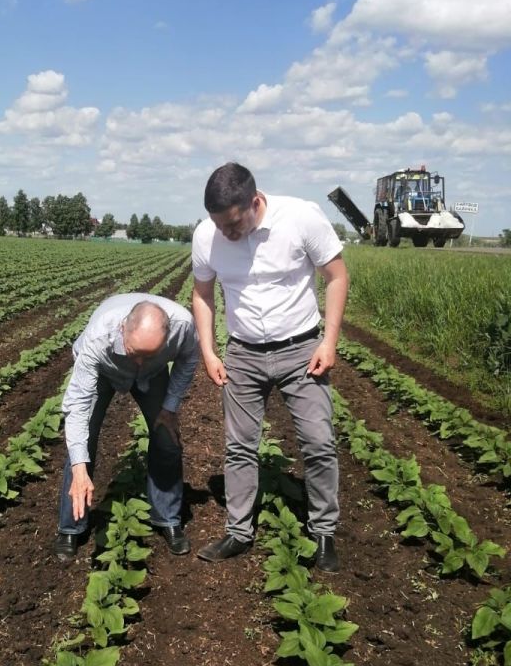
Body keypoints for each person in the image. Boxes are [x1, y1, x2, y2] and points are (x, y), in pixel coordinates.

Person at [191, 162, 349, 571]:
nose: (225, 233)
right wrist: (209, 351)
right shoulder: (207, 235)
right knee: (239, 447)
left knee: (318, 442)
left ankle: (324, 533)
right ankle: (239, 531)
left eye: (233, 223)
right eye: (218, 224)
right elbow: (202, 294)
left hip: (301, 350)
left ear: (255, 201)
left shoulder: (300, 218)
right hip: (243, 353)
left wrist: (329, 342)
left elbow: (336, 276)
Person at [54, 293, 199, 562]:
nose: (139, 361)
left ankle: (167, 518)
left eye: (150, 354)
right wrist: (79, 467)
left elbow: (189, 360)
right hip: (106, 371)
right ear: (123, 330)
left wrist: (170, 406)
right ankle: (70, 527)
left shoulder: (183, 326)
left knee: (167, 439)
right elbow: (76, 406)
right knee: (81, 446)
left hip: (153, 377)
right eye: (135, 353)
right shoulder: (98, 338)